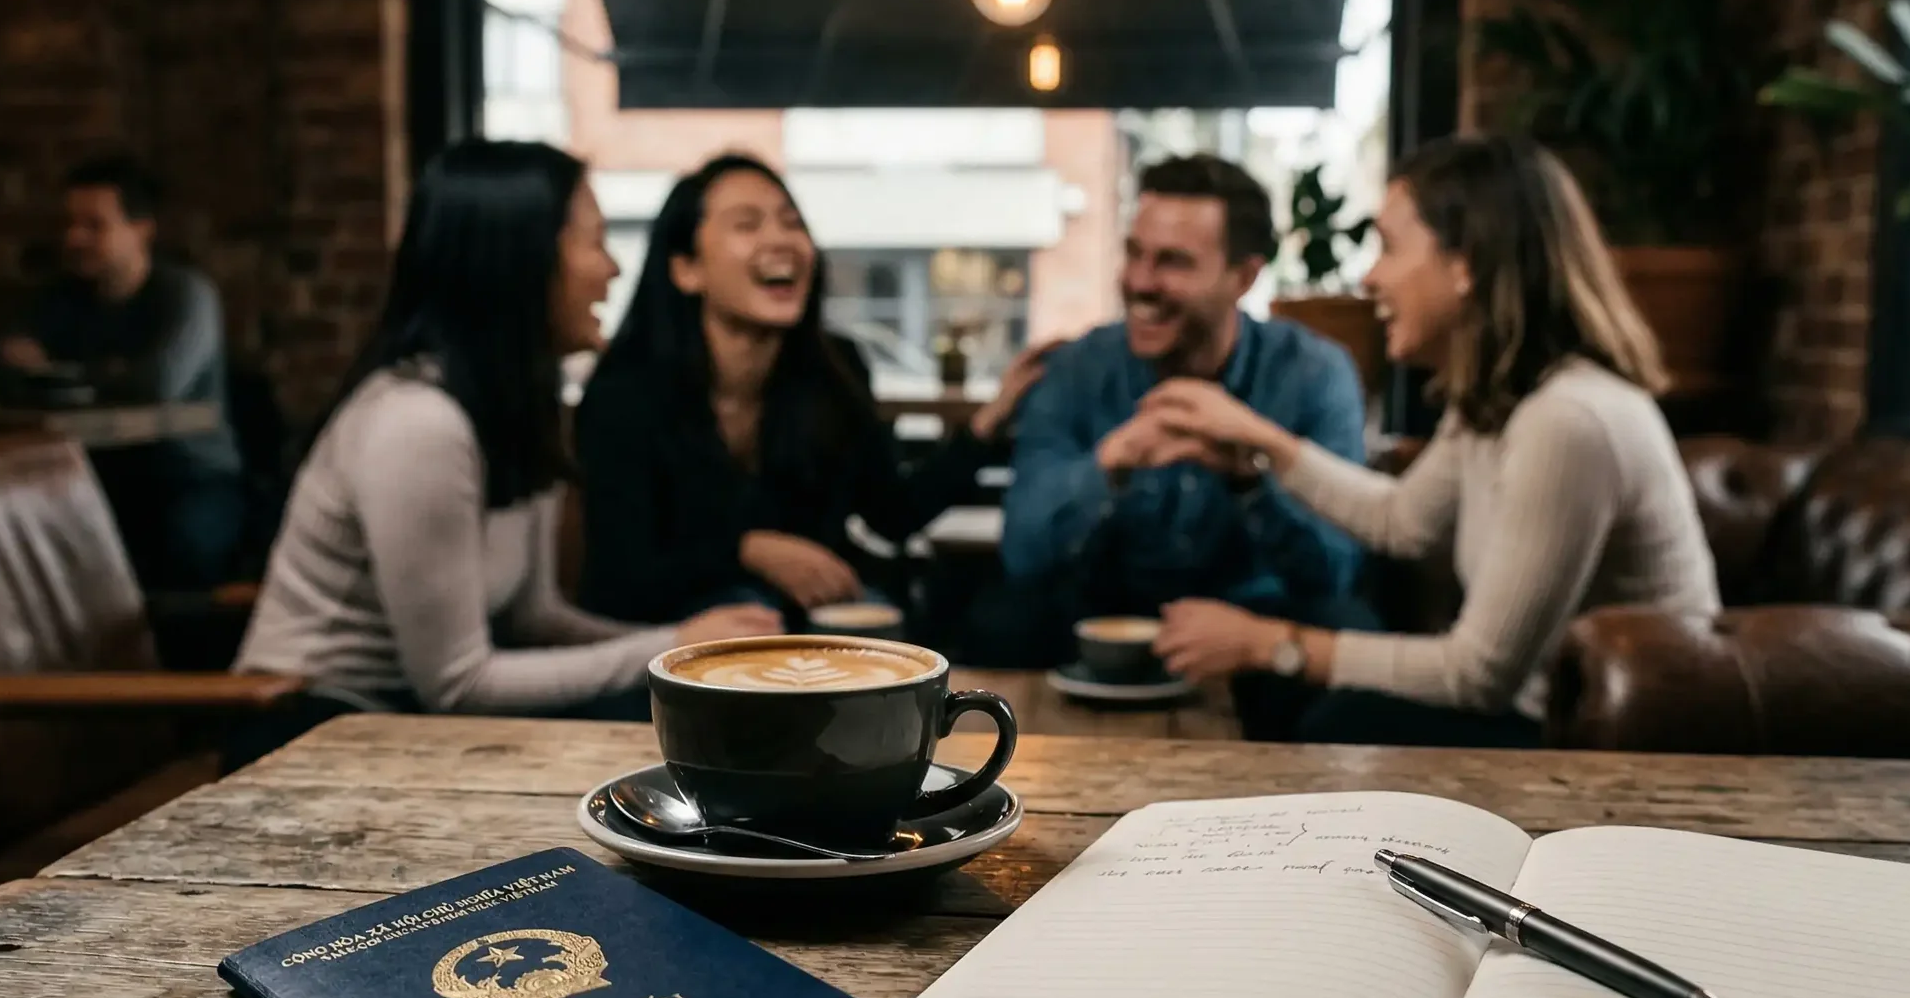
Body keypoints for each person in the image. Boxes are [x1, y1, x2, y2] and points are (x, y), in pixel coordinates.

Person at [1141, 135, 1721, 748]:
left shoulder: (1567, 419)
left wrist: (1268, 644)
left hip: (1612, 744)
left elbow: (1479, 676)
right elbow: (1402, 521)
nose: (1369, 278)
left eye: (1389, 247)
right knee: (1288, 692)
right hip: (1539, 715)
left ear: (1464, 263)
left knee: (1330, 716)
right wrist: (1261, 445)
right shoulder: (1498, 399)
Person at [228, 140, 777, 768]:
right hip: (311, 733)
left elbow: (532, 616)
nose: (613, 270)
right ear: (522, 260)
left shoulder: (515, 407)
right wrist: (671, 645)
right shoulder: (417, 423)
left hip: (408, 727)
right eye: (593, 242)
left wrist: (684, 652)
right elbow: (457, 684)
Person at [574, 153, 1050, 626]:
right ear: (686, 269)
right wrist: (749, 551)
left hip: (822, 624)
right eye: (747, 224)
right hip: (680, 641)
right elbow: (621, 577)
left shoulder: (834, 369)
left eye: (791, 222)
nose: (781, 240)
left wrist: (990, 420)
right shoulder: (625, 393)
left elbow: (893, 512)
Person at [984, 154, 1373, 670]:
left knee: (1349, 622)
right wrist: (1110, 464)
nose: (1141, 282)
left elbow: (1334, 571)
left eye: (1173, 262)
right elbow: (1022, 552)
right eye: (1134, 254)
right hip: (1101, 617)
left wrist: (1250, 479)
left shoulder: (1312, 374)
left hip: (1251, 625)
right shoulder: (1078, 368)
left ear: (1244, 277)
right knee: (1000, 621)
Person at [3, 156, 244, 590]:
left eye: (94, 226)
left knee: (178, 552)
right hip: (99, 477)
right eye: (71, 224)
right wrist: (103, 373)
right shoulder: (63, 298)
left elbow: (158, 384)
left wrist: (65, 373)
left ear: (142, 229)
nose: (74, 238)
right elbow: (10, 367)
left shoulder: (185, 296)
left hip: (189, 477)